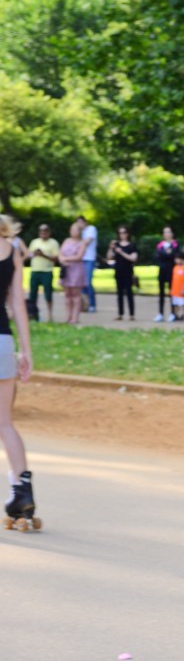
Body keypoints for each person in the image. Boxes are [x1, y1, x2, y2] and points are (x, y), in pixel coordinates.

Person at [0, 216, 40, 530]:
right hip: (2, 342)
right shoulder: (11, 248)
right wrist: (26, 351)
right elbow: (18, 304)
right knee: (5, 424)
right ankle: (21, 493)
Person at [27, 224, 60, 322]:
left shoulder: (53, 243)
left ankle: (50, 315)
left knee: (48, 294)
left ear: (49, 232)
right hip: (35, 271)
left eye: (45, 231)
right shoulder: (34, 242)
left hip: (47, 272)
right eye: (41, 232)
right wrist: (34, 253)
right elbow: (29, 255)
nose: (43, 233)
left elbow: (55, 258)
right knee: (32, 294)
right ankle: (33, 315)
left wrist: (43, 255)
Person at [59, 221, 90, 325]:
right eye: (71, 229)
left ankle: (75, 318)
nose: (73, 232)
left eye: (75, 229)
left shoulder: (82, 243)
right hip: (66, 270)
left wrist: (66, 259)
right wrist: (62, 259)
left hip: (76, 270)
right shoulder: (66, 241)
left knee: (76, 295)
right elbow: (60, 253)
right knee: (67, 294)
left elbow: (79, 256)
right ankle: (68, 316)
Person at [106, 225, 138, 321]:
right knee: (119, 293)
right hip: (118, 271)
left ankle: (131, 314)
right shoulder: (116, 245)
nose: (122, 235)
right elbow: (109, 257)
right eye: (120, 233)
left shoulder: (131, 246)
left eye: (124, 232)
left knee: (129, 292)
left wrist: (121, 252)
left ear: (127, 234)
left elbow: (133, 258)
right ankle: (120, 313)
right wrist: (111, 248)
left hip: (128, 272)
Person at [154, 227, 178, 323]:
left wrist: (165, 253)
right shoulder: (160, 245)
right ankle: (160, 313)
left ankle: (173, 313)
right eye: (165, 232)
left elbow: (173, 254)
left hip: (171, 271)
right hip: (162, 270)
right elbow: (157, 255)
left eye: (168, 232)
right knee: (161, 293)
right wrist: (166, 253)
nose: (167, 234)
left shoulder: (175, 244)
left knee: (172, 292)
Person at [76, 215, 98, 313]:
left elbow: (86, 242)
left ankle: (92, 304)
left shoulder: (91, 229)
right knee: (81, 284)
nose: (79, 224)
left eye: (81, 222)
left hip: (89, 258)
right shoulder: (80, 232)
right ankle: (85, 305)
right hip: (81, 259)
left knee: (88, 283)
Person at [170, 252, 184, 321]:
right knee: (175, 304)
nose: (177, 261)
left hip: (181, 290)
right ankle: (176, 315)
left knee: (181, 304)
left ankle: (182, 315)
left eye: (178, 259)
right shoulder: (175, 268)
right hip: (175, 290)